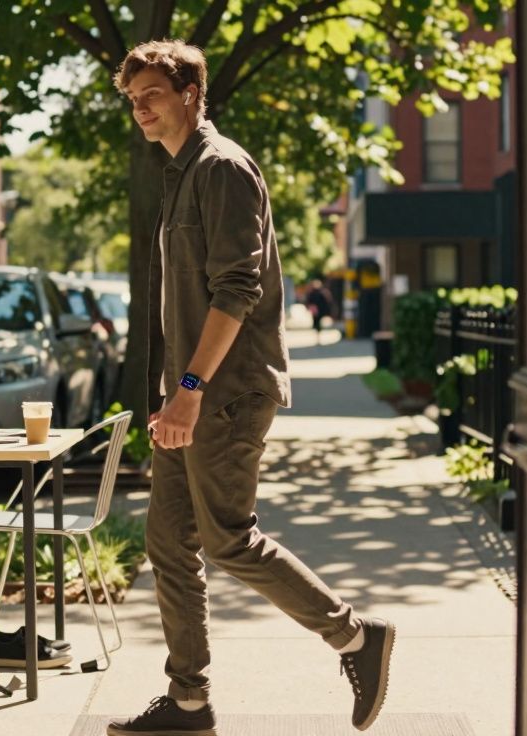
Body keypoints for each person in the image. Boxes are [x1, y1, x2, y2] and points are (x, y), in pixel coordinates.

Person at [108, 40, 395, 735]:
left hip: (224, 395)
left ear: (190, 94)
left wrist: (189, 387)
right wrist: (170, 391)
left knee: (229, 540)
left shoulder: (222, 167)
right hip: (190, 394)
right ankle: (188, 703)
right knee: (169, 544)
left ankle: (356, 637)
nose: (141, 108)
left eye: (152, 93)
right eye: (132, 98)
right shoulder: (178, 173)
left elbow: (237, 288)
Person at [305, 279, 335, 344]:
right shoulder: (319, 292)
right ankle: (318, 335)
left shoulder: (319, 292)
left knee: (317, 324)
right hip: (319, 311)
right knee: (317, 324)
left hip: (318, 311)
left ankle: (318, 335)